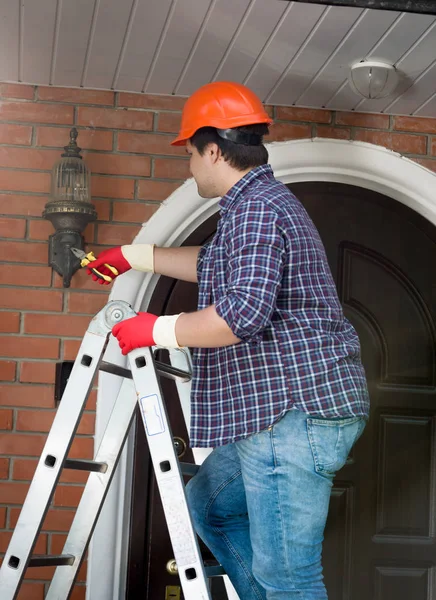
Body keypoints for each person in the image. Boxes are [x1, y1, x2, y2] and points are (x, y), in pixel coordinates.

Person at [87, 81, 370, 600]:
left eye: (190, 155)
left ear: (212, 150)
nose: (189, 166)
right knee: (210, 508)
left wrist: (153, 329)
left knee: (290, 577)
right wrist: (133, 255)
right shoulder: (251, 207)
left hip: (292, 413)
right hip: (272, 416)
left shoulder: (259, 208)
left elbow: (240, 315)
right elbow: (215, 265)